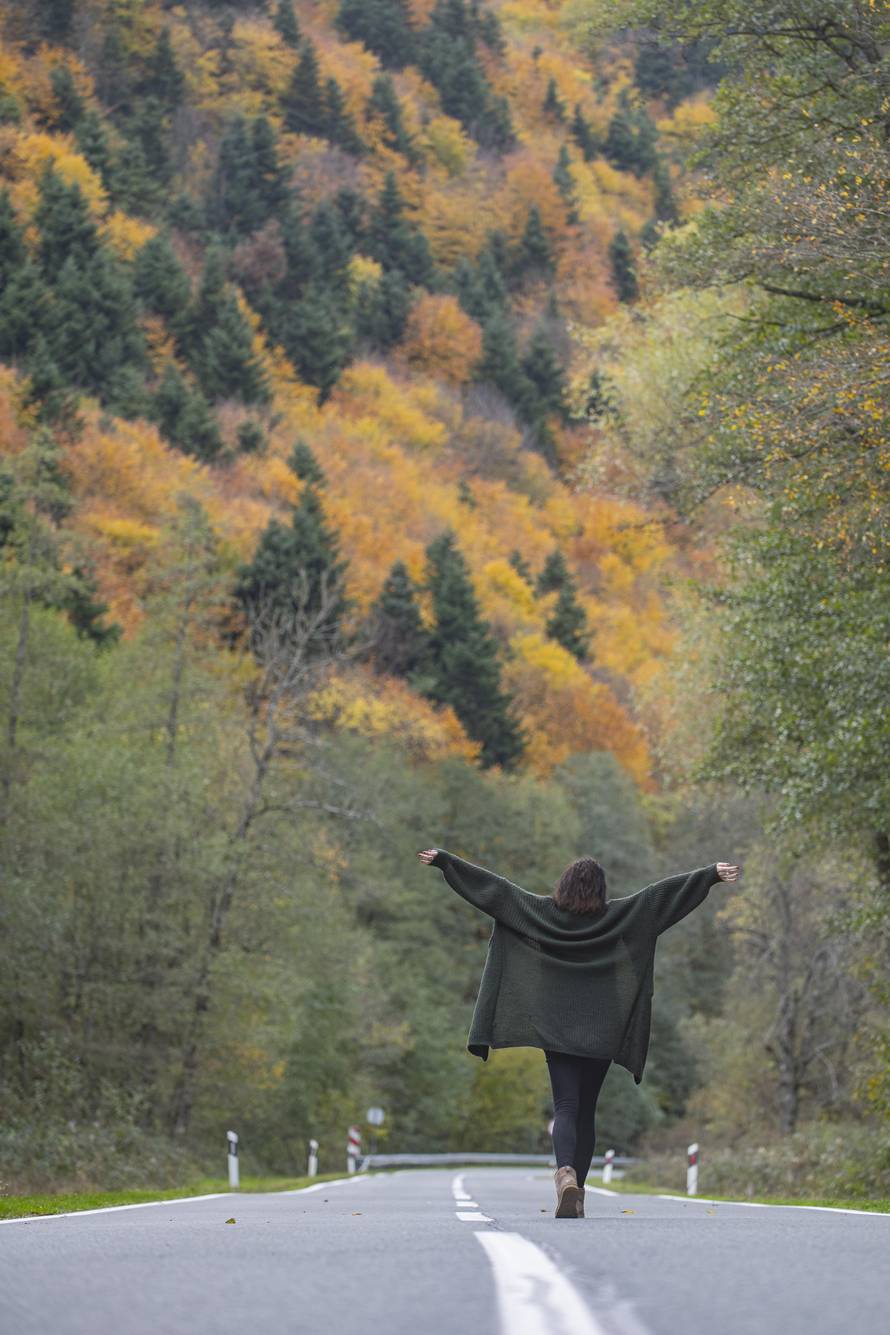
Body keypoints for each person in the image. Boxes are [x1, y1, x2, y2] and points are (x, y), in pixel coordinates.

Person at [417, 846, 741, 1218]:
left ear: (564, 886)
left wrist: (446, 861)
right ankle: (578, 1192)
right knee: (586, 1110)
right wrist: (709, 874)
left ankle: (565, 1174)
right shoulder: (619, 916)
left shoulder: (540, 913)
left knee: (566, 1106)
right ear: (600, 891)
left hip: (556, 1029)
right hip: (603, 1030)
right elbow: (660, 897)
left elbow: (496, 891)